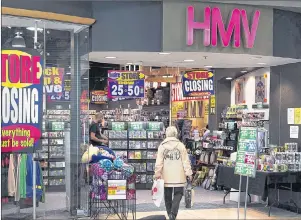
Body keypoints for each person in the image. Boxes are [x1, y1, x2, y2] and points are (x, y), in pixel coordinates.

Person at [154, 126, 193, 220]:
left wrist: (157, 173)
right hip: (179, 176)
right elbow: (185, 161)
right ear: (176, 134)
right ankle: (173, 214)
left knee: (167, 196)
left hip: (166, 176)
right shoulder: (180, 146)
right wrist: (188, 173)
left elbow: (159, 162)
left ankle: (170, 214)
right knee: (178, 194)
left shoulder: (162, 146)